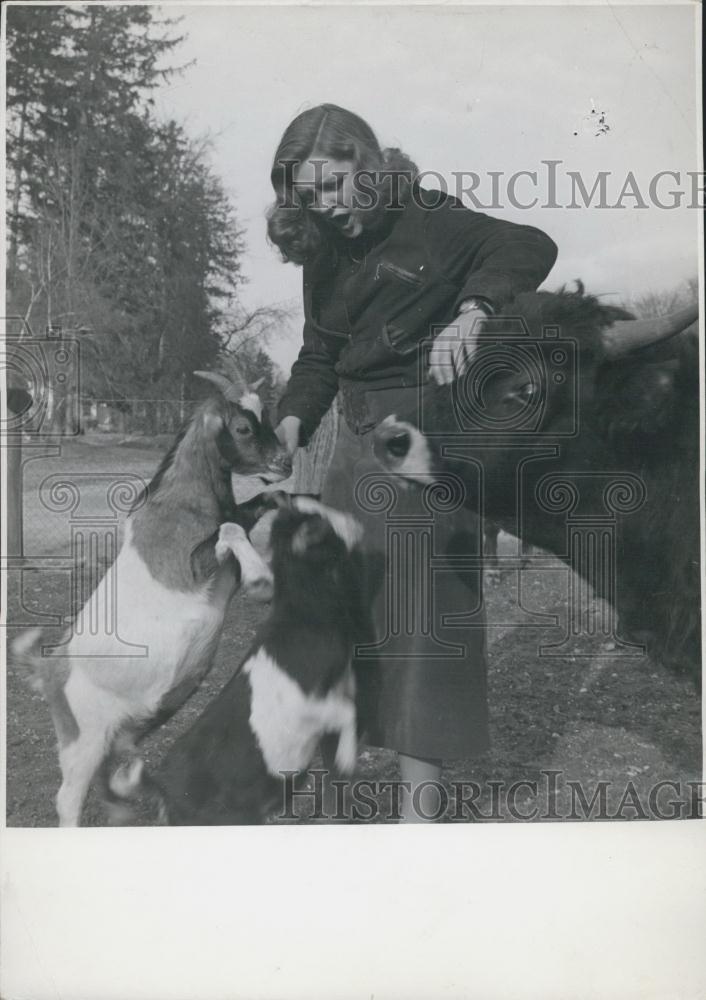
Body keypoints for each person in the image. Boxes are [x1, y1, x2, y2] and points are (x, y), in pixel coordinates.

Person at [268, 104, 557, 822]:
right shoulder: (324, 249)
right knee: (338, 632)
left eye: (335, 185)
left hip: (428, 451)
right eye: (308, 196)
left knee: (424, 636)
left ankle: (416, 821)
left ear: (367, 165)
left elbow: (530, 244)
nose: (326, 207)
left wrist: (474, 310)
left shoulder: (431, 219)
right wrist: (293, 421)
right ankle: (332, 810)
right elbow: (320, 354)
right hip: (352, 459)